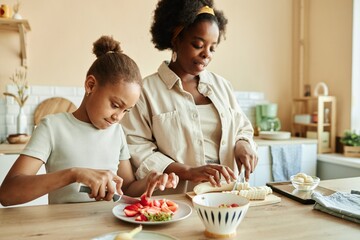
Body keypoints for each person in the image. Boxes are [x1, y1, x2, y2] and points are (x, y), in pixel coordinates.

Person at [0, 36, 178, 206]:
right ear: (90, 85)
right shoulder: (53, 127)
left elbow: (127, 189)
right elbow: (7, 194)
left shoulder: (117, 133)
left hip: (108, 227)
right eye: (115, 105)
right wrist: (74, 174)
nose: (118, 116)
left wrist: (149, 181)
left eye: (126, 110)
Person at [121, 0, 258, 194]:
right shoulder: (146, 91)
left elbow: (242, 127)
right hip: (176, 200)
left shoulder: (222, 86)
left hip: (226, 196)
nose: (206, 55)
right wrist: (188, 172)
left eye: (212, 48)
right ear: (176, 39)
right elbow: (137, 148)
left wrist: (243, 144)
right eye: (198, 45)